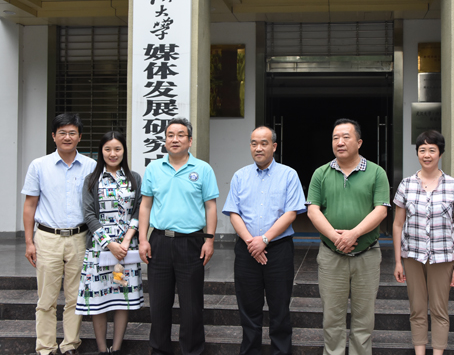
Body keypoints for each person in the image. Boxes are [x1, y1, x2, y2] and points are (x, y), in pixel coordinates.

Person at [306, 118, 390, 355]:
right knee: (332, 318)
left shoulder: (376, 172)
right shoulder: (321, 173)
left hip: (367, 255)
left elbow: (381, 210)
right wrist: (336, 237)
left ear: (359, 142)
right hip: (331, 256)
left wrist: (354, 234)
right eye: (335, 138)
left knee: (364, 319)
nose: (339, 142)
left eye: (345, 137)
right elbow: (313, 210)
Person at [138, 117, 219, 355]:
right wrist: (143, 239)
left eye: (181, 135)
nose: (175, 139)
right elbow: (145, 206)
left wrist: (209, 239)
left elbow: (211, 207)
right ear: (164, 141)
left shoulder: (203, 169)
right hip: (159, 241)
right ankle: (159, 349)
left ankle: (192, 350)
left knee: (192, 304)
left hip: (191, 242)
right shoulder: (154, 169)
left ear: (190, 140)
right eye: (170, 135)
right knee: (159, 304)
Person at [222, 126, 306, 355]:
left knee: (280, 309)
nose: (258, 148)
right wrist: (252, 242)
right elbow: (233, 213)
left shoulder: (288, 175)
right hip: (247, 250)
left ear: (274, 146)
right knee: (248, 309)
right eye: (254, 143)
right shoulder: (240, 176)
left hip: (278, 250)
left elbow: (291, 213)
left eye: (264, 143)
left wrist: (265, 240)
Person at [21, 113, 97, 355]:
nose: (67, 137)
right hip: (47, 238)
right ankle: (45, 346)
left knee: (75, 297)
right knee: (46, 298)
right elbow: (30, 205)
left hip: (79, 238)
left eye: (72, 133)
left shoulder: (91, 166)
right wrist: (29, 242)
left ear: (80, 137)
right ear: (53, 136)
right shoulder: (39, 165)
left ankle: (70, 344)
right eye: (62, 133)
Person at [392, 130, 454, 355]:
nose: (427, 155)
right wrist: (398, 261)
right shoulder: (406, 185)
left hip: (443, 257)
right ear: (417, 153)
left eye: (432, 150)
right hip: (413, 256)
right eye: (422, 150)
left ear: (440, 153)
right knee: (416, 309)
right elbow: (397, 225)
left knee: (439, 310)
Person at [75, 131, 144, 355]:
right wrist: (109, 244)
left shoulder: (134, 178)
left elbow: (139, 210)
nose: (112, 154)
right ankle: (102, 349)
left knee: (121, 296)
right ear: (101, 151)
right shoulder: (92, 180)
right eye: (107, 149)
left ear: (124, 151)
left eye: (117, 149)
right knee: (99, 298)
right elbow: (89, 214)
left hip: (125, 250)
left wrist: (125, 241)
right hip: (99, 249)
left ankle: (117, 348)